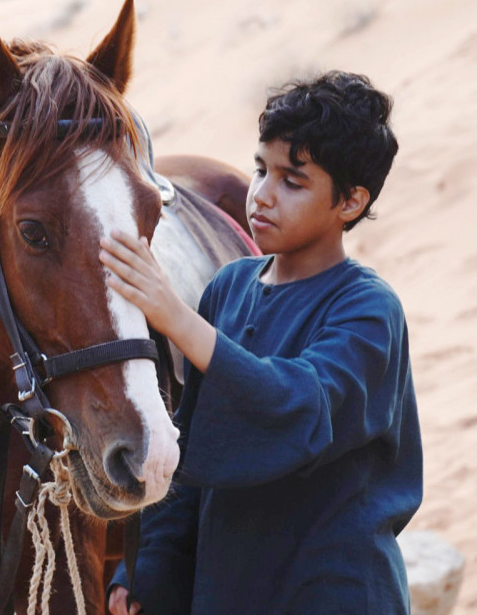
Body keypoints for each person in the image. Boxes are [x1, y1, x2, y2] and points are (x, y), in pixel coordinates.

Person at [97, 70, 423, 614]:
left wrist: (176, 318)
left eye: (293, 181)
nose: (263, 196)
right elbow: (191, 458)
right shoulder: (229, 290)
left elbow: (299, 407)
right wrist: (144, 572)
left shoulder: (367, 309)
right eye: (260, 170)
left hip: (332, 594)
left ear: (350, 202)